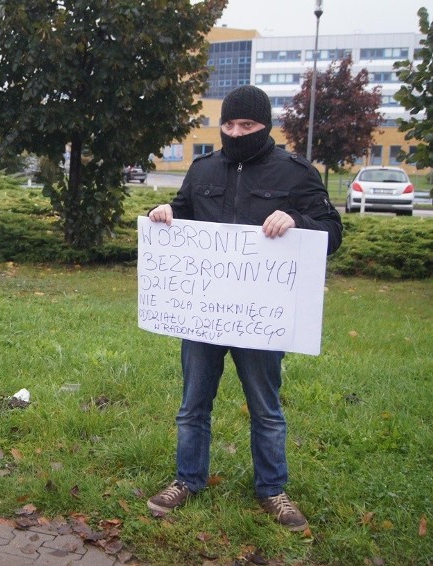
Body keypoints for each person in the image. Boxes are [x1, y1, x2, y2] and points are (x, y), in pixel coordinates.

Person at [146, 85, 342, 531]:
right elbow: (180, 212)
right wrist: (163, 213)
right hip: (202, 312)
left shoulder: (295, 173)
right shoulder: (203, 168)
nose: (236, 132)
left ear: (265, 126)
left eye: (247, 125)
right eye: (229, 125)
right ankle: (187, 479)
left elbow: (333, 230)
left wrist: (298, 221)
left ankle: (273, 489)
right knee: (192, 405)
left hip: (262, 319)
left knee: (266, 408)